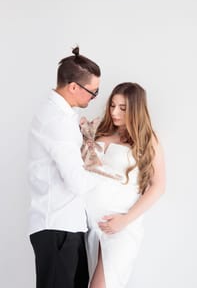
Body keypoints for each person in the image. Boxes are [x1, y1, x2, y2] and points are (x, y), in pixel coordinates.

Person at [28, 46, 101, 288]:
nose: (94, 97)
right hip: (58, 227)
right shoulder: (57, 121)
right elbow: (77, 182)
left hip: (67, 226)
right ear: (73, 87)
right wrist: (107, 176)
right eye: (94, 91)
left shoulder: (63, 117)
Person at [83, 82, 166, 288]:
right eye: (112, 106)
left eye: (123, 108)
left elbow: (158, 186)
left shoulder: (147, 140)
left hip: (121, 226)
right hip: (88, 225)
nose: (115, 112)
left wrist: (125, 220)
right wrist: (85, 140)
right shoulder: (99, 133)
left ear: (136, 109)